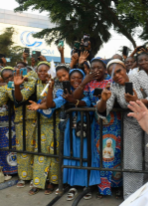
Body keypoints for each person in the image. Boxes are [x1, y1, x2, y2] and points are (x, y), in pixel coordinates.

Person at [97, 59, 148, 199]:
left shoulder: (139, 76)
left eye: (119, 70)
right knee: (132, 160)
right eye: (113, 73)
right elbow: (103, 111)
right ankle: (132, 197)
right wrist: (104, 100)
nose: (116, 75)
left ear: (124, 68)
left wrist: (138, 100)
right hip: (131, 123)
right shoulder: (113, 87)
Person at [0, 62, 38, 187]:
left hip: (38, 120)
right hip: (21, 122)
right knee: (23, 150)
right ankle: (25, 176)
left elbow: (21, 98)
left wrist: (17, 86)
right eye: (6, 78)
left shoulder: (30, 81)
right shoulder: (5, 88)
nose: (10, 79)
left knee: (37, 149)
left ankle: (38, 177)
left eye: (11, 75)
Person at [73, 58, 122, 198]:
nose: (96, 70)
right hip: (97, 125)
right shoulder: (90, 83)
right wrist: (84, 81)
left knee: (115, 155)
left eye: (99, 67)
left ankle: (117, 186)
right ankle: (104, 189)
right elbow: (76, 97)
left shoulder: (112, 82)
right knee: (102, 156)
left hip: (113, 124)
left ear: (105, 69)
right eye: (93, 68)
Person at [27, 62, 67, 195]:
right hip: (42, 124)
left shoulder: (59, 85)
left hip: (56, 123)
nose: (43, 73)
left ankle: (52, 182)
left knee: (54, 153)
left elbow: (52, 103)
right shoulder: (37, 84)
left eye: (46, 70)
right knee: (40, 152)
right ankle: (38, 182)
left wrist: (50, 88)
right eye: (40, 71)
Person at [60, 68, 92, 201]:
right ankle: (72, 185)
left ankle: (85, 185)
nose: (76, 80)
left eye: (79, 77)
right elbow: (56, 102)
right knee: (71, 153)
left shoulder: (87, 91)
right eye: (73, 78)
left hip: (85, 128)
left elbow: (87, 103)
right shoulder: (64, 92)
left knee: (84, 154)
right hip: (70, 128)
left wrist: (73, 101)